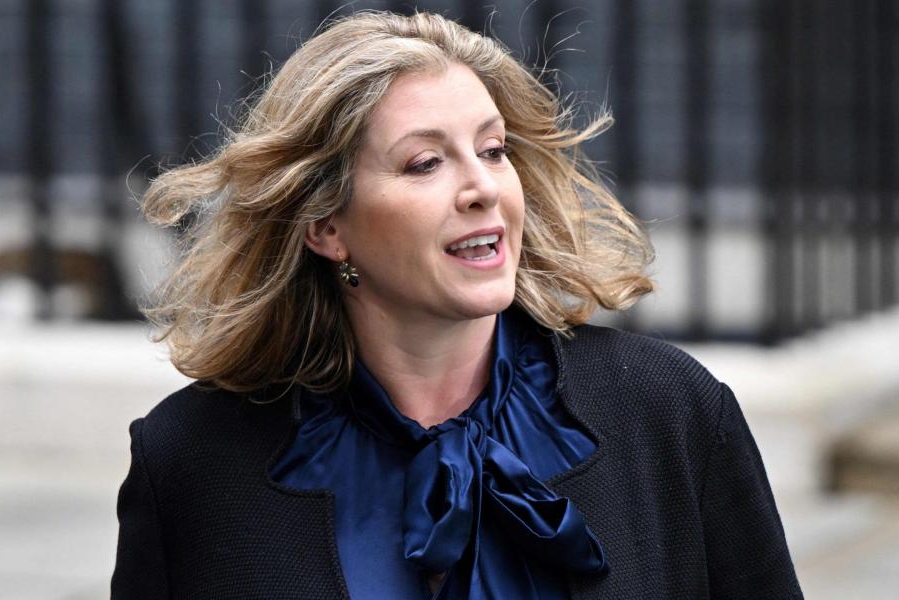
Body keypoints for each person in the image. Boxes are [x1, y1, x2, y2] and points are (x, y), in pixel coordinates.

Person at [112, 11, 803, 600]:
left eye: (493, 150)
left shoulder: (671, 411)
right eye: (424, 163)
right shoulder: (190, 461)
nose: (482, 188)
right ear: (326, 226)